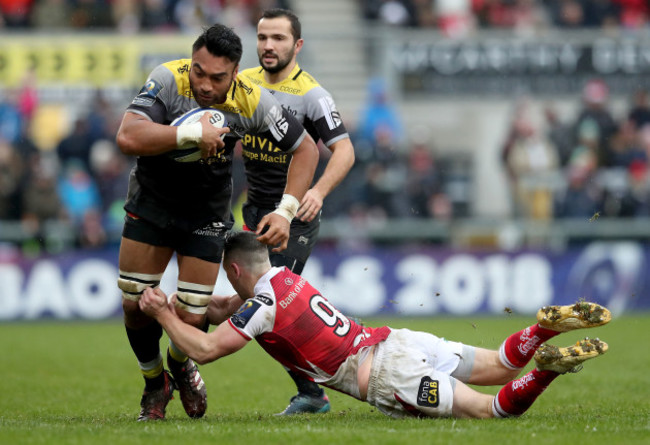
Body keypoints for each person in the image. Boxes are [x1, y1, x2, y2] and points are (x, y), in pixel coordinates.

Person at [140, 231, 611, 420]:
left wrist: (162, 312)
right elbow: (235, 308)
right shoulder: (286, 280)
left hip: (388, 375)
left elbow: (204, 350)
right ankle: (543, 331)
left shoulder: (260, 306)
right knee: (501, 365)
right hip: (398, 340)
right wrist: (202, 304)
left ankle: (548, 368)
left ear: (237, 271)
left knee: (493, 411)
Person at [115, 24, 319, 421]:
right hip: (152, 204)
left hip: (205, 214)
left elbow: (306, 149)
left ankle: (180, 365)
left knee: (192, 316)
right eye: (199, 72)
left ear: (236, 73)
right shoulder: (167, 79)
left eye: (217, 77)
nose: (205, 85)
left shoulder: (253, 101)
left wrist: (286, 210)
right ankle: (154, 382)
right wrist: (191, 133)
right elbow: (127, 136)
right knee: (135, 305)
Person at [208, 8, 355, 415]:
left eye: (278, 39)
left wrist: (320, 191)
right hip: (254, 208)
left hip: (294, 216)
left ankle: (316, 389)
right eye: (263, 38)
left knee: (266, 303)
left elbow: (345, 150)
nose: (268, 46)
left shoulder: (312, 94)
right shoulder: (244, 84)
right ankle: (312, 388)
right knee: (263, 307)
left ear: (298, 45)